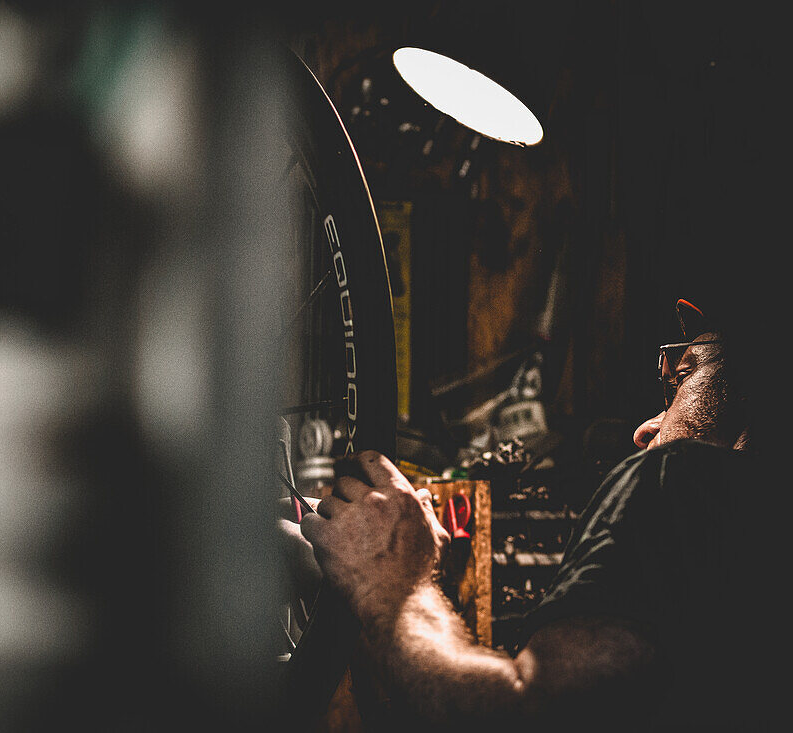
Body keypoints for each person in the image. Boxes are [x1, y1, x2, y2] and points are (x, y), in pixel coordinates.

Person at [296, 298, 759, 731]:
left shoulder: (676, 479)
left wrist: (397, 592)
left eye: (681, 380)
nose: (645, 430)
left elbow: (533, 714)